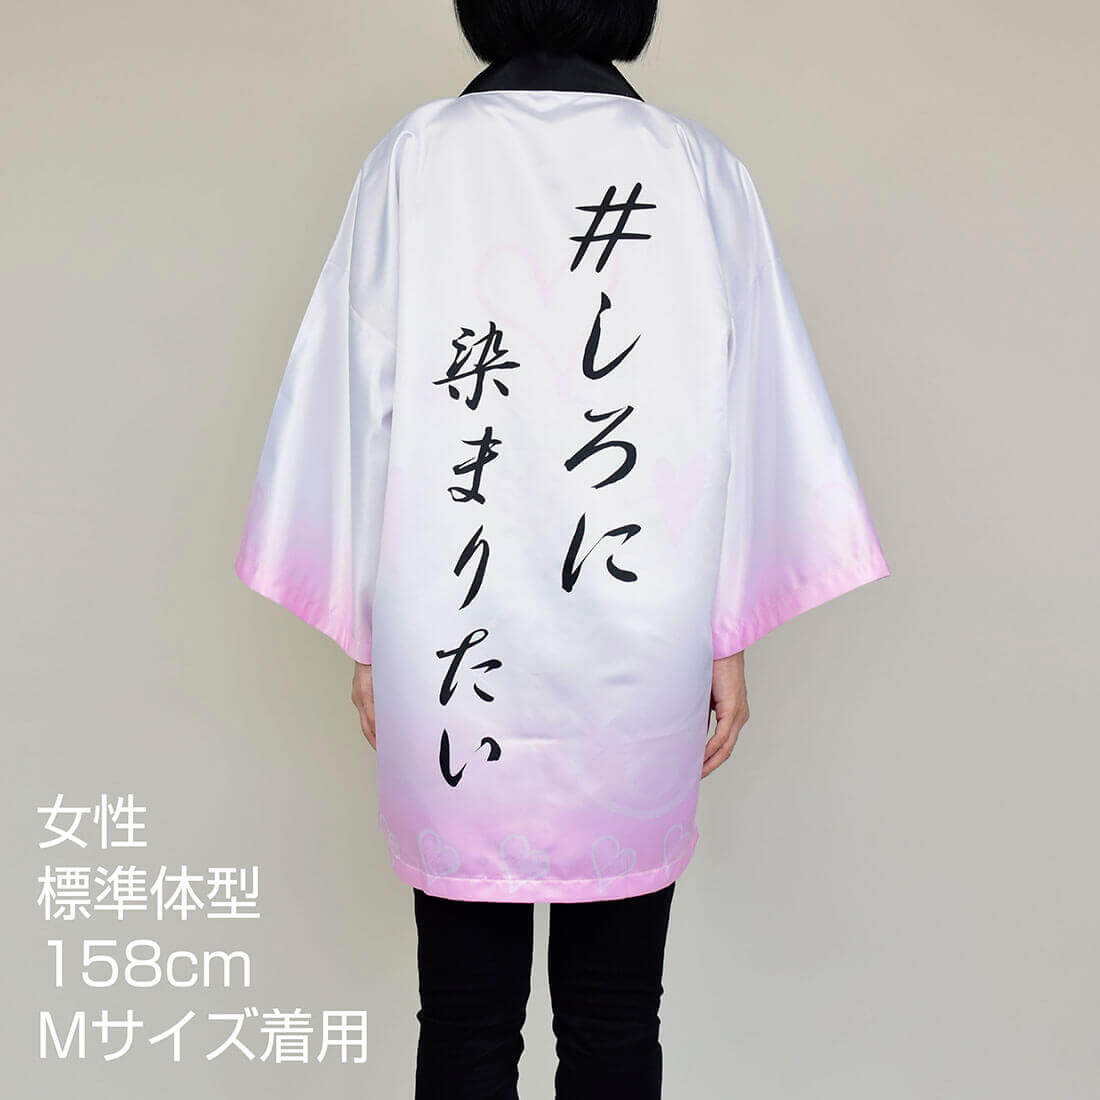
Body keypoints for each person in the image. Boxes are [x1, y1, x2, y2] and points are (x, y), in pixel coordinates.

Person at [234, 1, 890, 1095]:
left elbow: (353, 396)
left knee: (462, 1013)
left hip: (452, 633)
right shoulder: (695, 167)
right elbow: (750, 406)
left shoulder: (414, 158)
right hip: (642, 630)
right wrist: (726, 630)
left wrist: (366, 630)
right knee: (616, 1011)